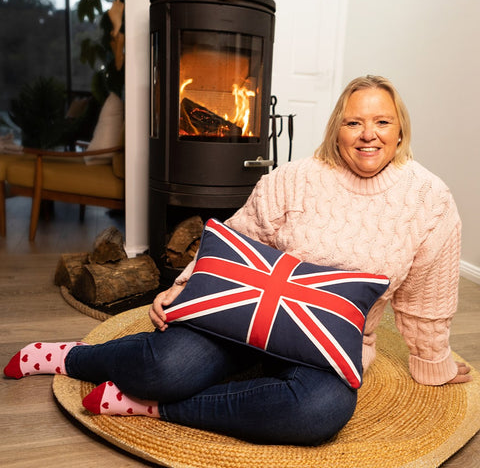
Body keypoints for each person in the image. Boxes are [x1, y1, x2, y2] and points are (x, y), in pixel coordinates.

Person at [4, 75, 472, 446]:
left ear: (400, 129)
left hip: (327, 346)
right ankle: (69, 356)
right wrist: (183, 287)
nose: (368, 134)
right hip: (244, 316)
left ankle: (155, 409)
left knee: (319, 412)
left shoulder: (428, 199)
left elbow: (427, 295)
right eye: (353, 122)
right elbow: (237, 237)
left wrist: (434, 363)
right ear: (337, 128)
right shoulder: (297, 178)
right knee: (163, 369)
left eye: (382, 122)